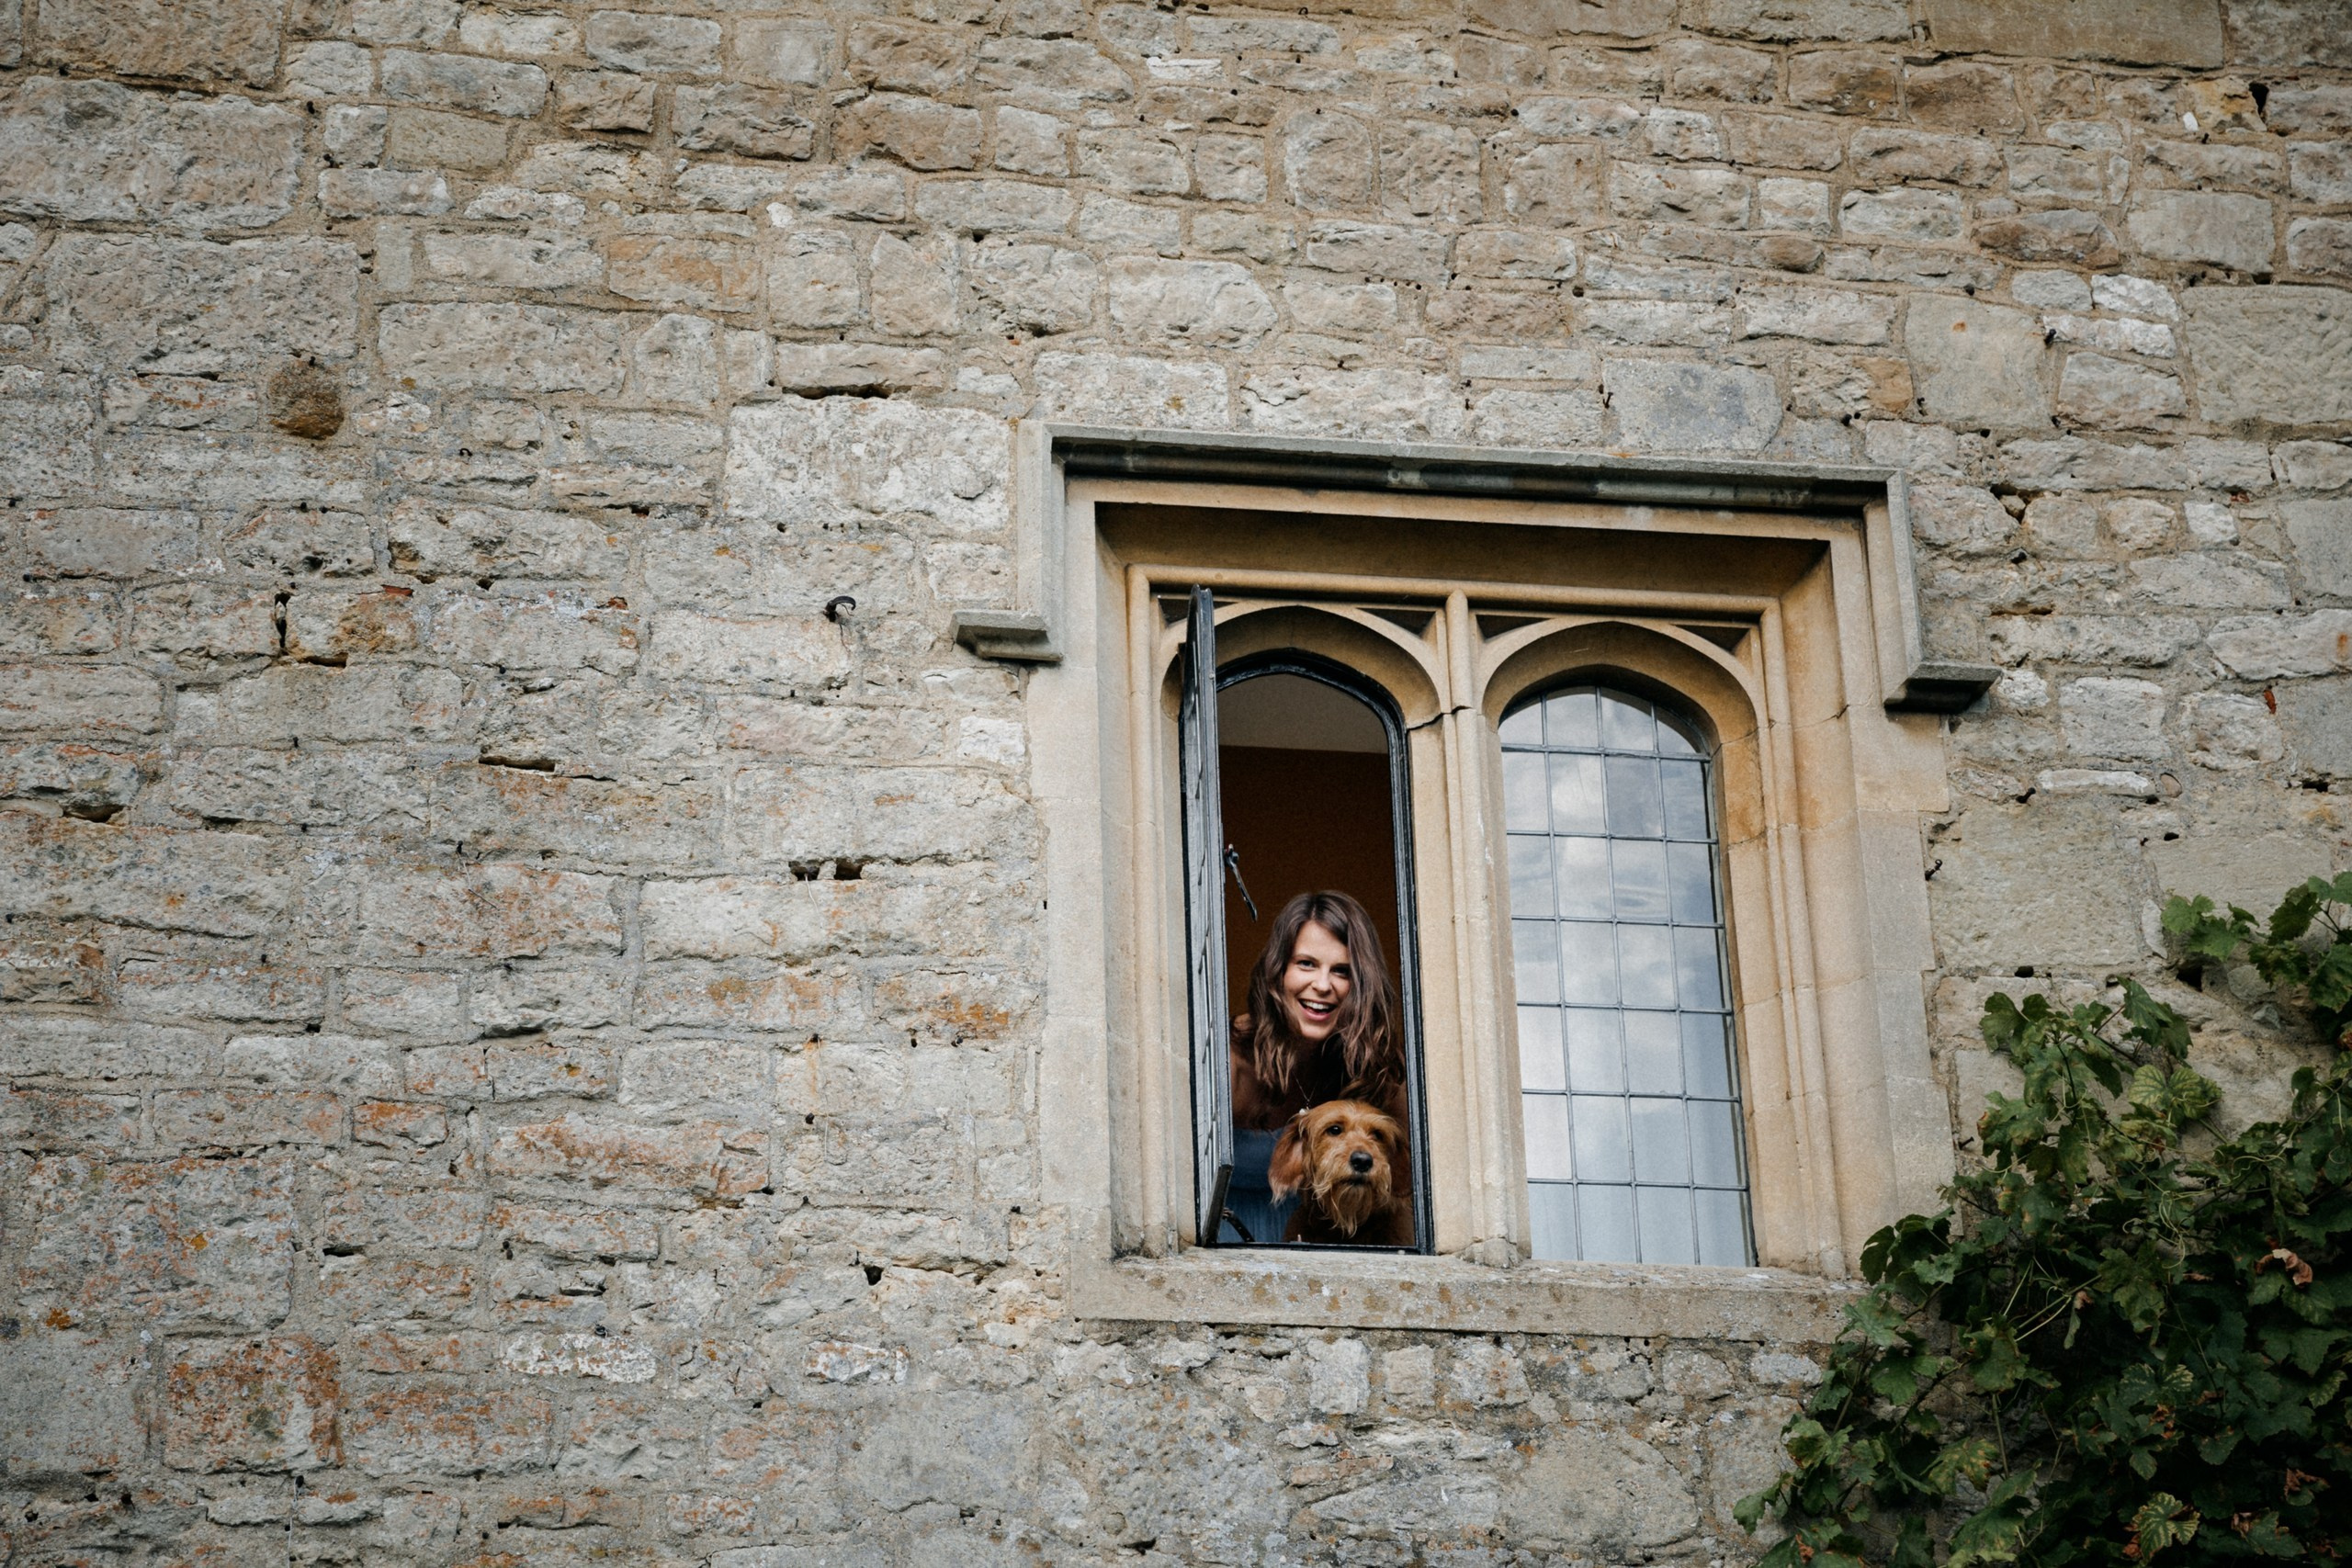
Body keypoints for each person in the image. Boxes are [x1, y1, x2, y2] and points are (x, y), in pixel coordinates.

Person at [1219, 890, 1407, 1244]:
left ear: (1361, 986)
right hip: (1220, 1230)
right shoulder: (1228, 1061)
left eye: (1342, 971)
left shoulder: (1374, 1065)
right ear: (1277, 971)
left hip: (1319, 1238)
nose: (1322, 985)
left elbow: (1404, 1180)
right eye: (1306, 964)